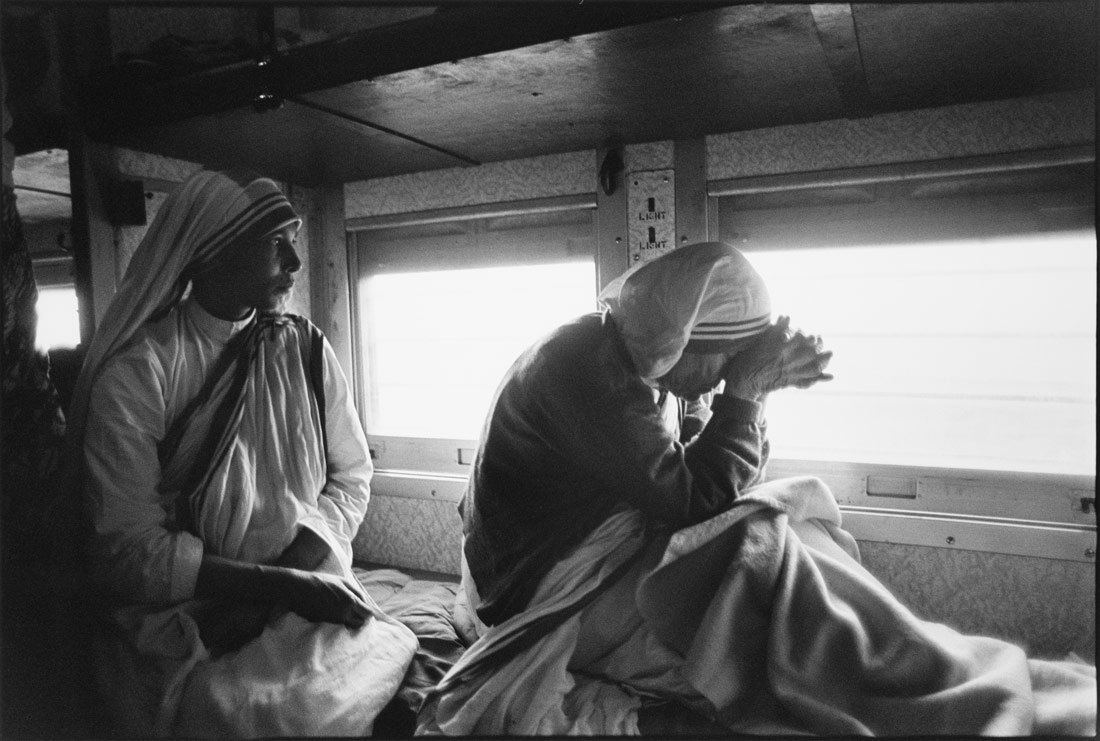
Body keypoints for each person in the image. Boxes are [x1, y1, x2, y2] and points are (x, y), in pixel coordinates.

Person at [425, 241, 1096, 736]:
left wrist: (745, 395)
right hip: (542, 591)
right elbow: (692, 499)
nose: (721, 378)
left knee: (784, 541)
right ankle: (904, 678)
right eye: (723, 360)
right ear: (684, 337)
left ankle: (914, 660)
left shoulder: (617, 357)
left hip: (578, 556)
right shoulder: (588, 375)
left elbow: (677, 485)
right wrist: (745, 399)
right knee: (762, 599)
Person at [65, 169, 417, 737]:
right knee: (239, 712)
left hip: (307, 588)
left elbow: (350, 478)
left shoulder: (306, 350)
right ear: (210, 253)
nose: (297, 264)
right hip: (188, 617)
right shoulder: (140, 372)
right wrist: (269, 588)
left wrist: (295, 577)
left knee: (382, 694)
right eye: (276, 244)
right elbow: (128, 550)